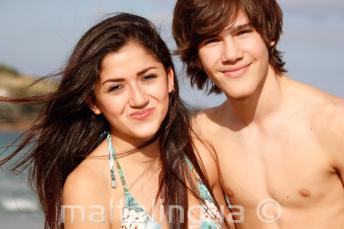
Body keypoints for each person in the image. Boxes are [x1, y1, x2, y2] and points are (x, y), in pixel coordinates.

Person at [0, 13, 232, 229]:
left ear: (169, 79)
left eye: (148, 77)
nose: (139, 99)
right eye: (116, 87)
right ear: (94, 102)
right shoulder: (89, 186)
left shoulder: (199, 157)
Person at [172, 0, 344, 228]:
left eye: (242, 32)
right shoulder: (203, 135)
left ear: (269, 34)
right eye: (212, 40)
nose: (231, 54)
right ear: (195, 56)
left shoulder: (334, 121)